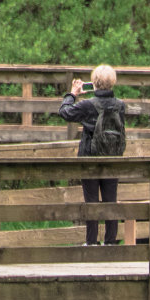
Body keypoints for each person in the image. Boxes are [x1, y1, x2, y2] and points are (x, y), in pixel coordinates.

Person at [59, 64, 131, 246]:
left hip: (89, 157)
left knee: (91, 200)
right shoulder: (120, 105)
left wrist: (73, 94)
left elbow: (64, 112)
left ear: (94, 83)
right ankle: (111, 242)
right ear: (112, 82)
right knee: (110, 201)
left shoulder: (87, 105)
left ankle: (91, 242)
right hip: (112, 157)